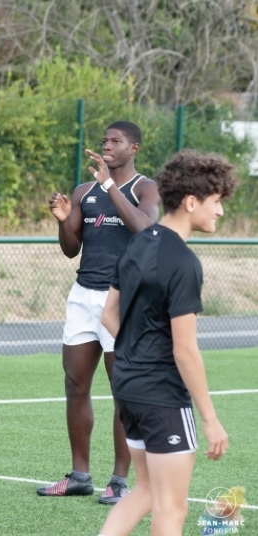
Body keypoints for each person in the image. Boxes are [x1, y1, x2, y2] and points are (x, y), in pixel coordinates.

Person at [98, 150, 234, 536]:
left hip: (127, 386)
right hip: (161, 395)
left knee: (144, 490)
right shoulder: (184, 262)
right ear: (191, 202)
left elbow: (108, 315)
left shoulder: (138, 242)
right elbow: (185, 350)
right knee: (171, 509)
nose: (220, 211)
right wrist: (211, 420)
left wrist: (137, 353)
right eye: (216, 201)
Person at [39, 121, 160, 504]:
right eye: (104, 140)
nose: (107, 145)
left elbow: (144, 229)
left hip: (122, 299)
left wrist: (110, 185)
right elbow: (70, 249)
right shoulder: (83, 191)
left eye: (115, 141)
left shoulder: (144, 188)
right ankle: (79, 476)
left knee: (123, 389)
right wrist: (64, 221)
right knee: (75, 385)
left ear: (133, 148)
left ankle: (119, 481)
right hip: (83, 296)